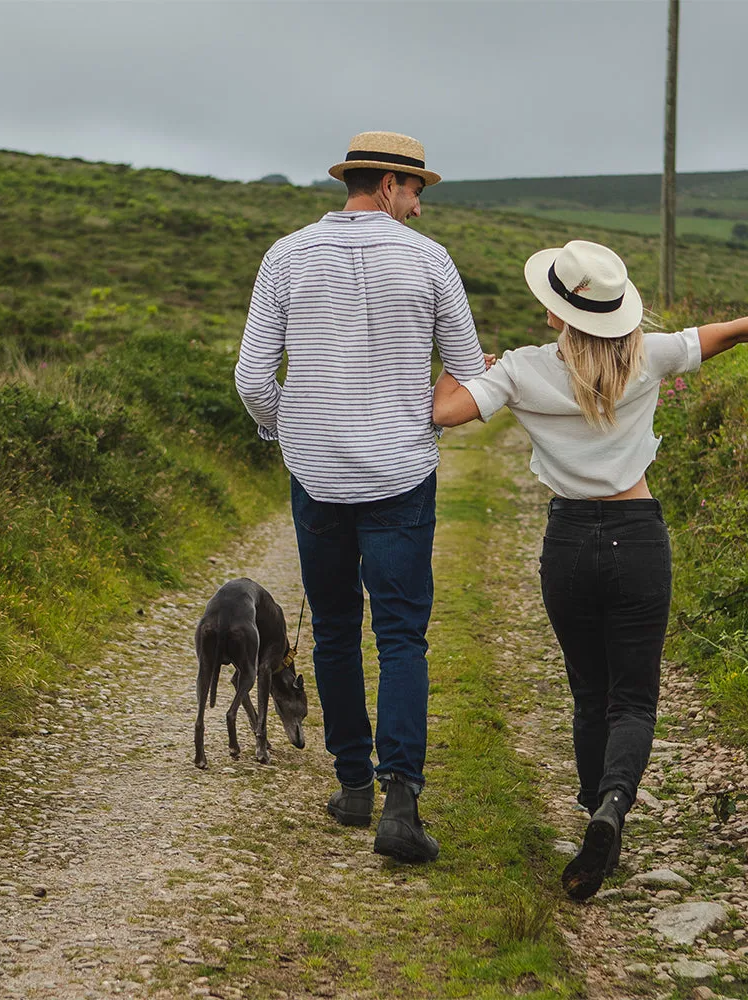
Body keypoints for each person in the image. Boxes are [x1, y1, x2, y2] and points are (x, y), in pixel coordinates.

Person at [432, 239, 748, 898]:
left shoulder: (522, 369)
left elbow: (445, 414)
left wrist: (466, 367)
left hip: (570, 542)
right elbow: (742, 331)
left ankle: (591, 813)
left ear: (556, 312)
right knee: (633, 697)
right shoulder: (651, 354)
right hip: (639, 538)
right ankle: (614, 806)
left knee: (588, 691)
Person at [235, 131, 488, 863]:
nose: (416, 208)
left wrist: (295, 431)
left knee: (339, 629)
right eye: (414, 193)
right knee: (402, 635)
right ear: (385, 185)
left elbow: (253, 381)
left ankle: (352, 788)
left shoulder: (284, 256)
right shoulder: (431, 261)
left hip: (317, 477)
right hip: (401, 473)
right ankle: (401, 805)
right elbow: (467, 372)